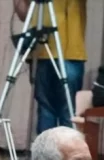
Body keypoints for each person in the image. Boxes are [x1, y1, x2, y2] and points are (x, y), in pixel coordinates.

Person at [13, 0, 86, 133]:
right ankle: (45, 152)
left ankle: (67, 152)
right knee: (45, 109)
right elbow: (23, 14)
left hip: (69, 52)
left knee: (68, 111)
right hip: (41, 51)